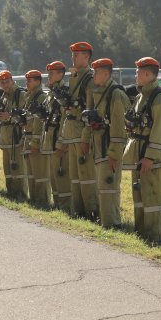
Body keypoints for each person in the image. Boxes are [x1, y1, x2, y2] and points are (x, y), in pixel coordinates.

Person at [122, 56, 161, 241]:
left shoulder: (159, 98)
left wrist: (150, 157)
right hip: (139, 155)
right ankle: (142, 232)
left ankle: (155, 236)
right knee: (140, 195)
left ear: (146, 73)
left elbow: (160, 131)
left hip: (152, 159)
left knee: (153, 198)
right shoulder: (140, 96)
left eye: (138, 71)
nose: (135, 74)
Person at [81, 58, 130, 228]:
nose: (93, 75)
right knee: (102, 187)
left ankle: (112, 224)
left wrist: (114, 154)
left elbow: (118, 128)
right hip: (98, 148)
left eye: (96, 72)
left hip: (109, 149)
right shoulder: (99, 92)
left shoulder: (115, 95)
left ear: (106, 73)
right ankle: (105, 220)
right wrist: (85, 140)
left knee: (109, 187)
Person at [62, 41, 98, 220]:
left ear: (87, 57)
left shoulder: (90, 80)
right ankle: (79, 210)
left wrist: (85, 138)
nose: (74, 57)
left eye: (78, 54)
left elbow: (90, 111)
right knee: (75, 176)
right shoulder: (74, 77)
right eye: (73, 54)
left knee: (87, 175)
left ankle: (92, 211)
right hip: (72, 132)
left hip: (82, 133)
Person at [41, 61, 71, 210]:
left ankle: (66, 208)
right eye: (49, 73)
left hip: (59, 140)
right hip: (50, 139)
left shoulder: (65, 91)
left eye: (52, 73)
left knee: (62, 176)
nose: (49, 76)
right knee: (54, 177)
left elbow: (65, 119)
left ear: (61, 74)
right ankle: (58, 205)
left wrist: (61, 143)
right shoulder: (52, 92)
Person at [0, 70, 28, 199]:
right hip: (5, 137)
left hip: (16, 136)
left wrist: (9, 116)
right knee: (8, 169)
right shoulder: (3, 96)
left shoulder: (20, 94)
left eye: (7, 81)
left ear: (12, 81)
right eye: (2, 83)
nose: (5, 84)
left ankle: (21, 194)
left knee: (18, 168)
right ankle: (11, 192)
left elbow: (24, 114)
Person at [23, 69, 50, 207]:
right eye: (27, 79)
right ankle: (34, 199)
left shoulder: (40, 97)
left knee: (40, 174)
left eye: (30, 80)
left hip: (35, 141)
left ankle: (42, 201)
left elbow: (39, 122)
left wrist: (36, 143)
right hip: (27, 138)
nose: (27, 82)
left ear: (38, 82)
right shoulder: (30, 96)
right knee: (31, 173)